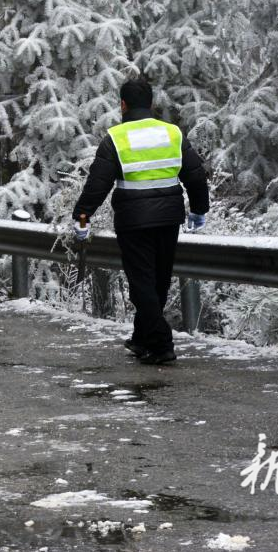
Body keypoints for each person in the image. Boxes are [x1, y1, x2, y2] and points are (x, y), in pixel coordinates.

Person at [71, 77, 210, 365]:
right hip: (169, 218)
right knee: (158, 281)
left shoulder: (116, 138)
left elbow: (97, 184)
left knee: (141, 283)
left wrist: (82, 216)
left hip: (133, 221)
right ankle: (141, 338)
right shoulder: (172, 133)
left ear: (123, 105)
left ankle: (161, 344)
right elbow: (196, 176)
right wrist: (198, 210)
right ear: (151, 103)